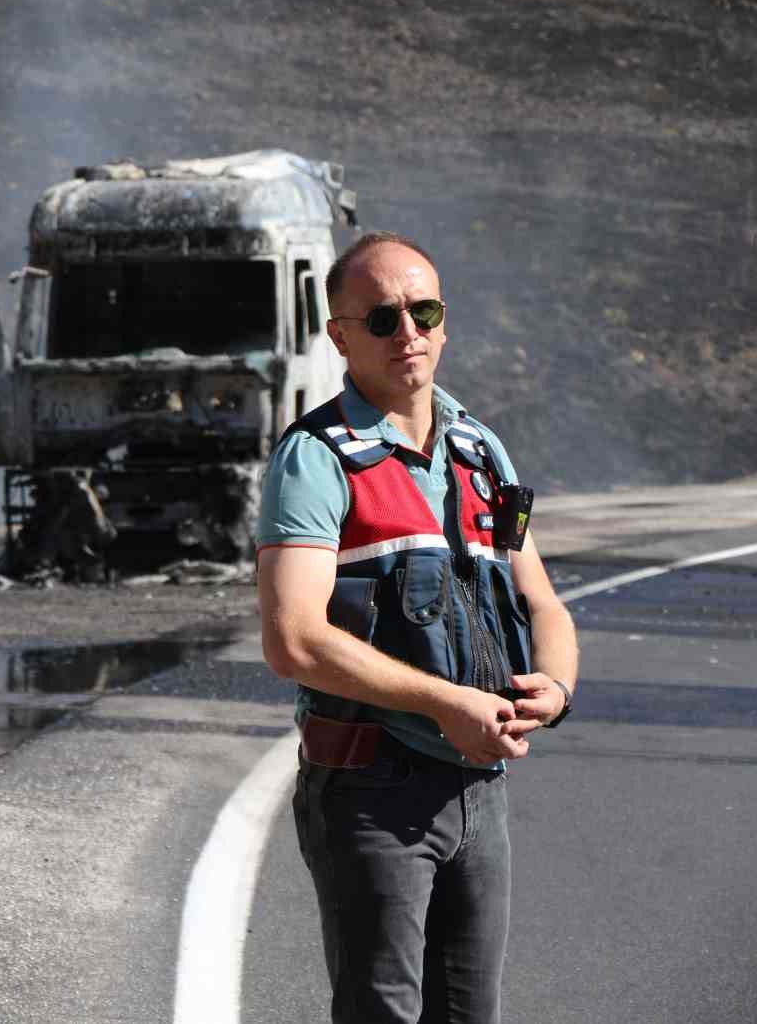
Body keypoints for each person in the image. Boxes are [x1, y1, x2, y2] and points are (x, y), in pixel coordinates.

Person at [255, 231, 579, 1024]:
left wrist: (557, 686)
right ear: (340, 336)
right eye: (382, 318)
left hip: (480, 790)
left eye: (423, 311)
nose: (407, 332)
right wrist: (444, 704)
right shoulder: (313, 459)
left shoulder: (481, 449)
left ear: (444, 323)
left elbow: (541, 602)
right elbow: (292, 640)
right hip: (372, 791)